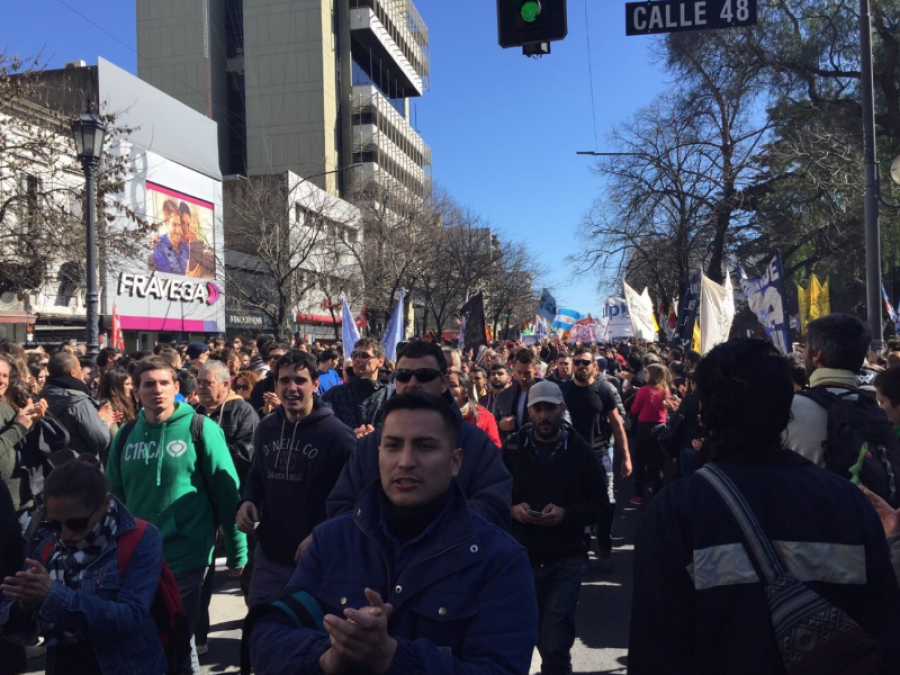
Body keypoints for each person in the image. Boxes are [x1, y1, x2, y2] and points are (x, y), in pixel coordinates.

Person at [628, 338, 900, 674]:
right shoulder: (850, 503)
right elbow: (886, 633)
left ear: (704, 411)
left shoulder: (673, 512)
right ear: (788, 405)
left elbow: (654, 650)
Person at [248, 393, 538, 675]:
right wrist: (328, 655)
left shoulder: (500, 559)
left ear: (455, 462)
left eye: (425, 446)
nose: (405, 461)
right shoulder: (331, 541)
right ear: (378, 455)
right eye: (393, 445)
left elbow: (500, 666)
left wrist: (393, 657)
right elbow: (267, 637)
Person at [106, 357, 247, 675]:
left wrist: (238, 551)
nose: (157, 390)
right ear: (136, 392)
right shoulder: (126, 435)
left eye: (164, 383)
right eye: (149, 384)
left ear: (177, 388)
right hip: (138, 558)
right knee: (146, 637)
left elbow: (228, 494)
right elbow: (113, 499)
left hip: (188, 556)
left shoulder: (201, 429)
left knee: (178, 638)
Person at [0, 459, 169, 675]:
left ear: (104, 505)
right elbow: (10, 615)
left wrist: (53, 595)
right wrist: (24, 605)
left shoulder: (140, 538)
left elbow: (130, 617)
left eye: (76, 524)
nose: (64, 534)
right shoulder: (46, 546)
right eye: (54, 524)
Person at [326, 340, 513, 529]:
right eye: (403, 375)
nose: (413, 384)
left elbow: (495, 508)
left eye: (425, 375)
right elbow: (342, 507)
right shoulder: (369, 446)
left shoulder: (476, 443)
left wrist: (430, 521)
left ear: (444, 383)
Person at [501, 380, 610, 675]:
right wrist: (512, 510)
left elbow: (601, 507)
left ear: (561, 409)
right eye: (538, 409)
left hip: (565, 559)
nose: (544, 416)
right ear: (530, 410)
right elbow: (491, 497)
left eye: (551, 408)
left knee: (555, 642)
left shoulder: (582, 453)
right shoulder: (512, 449)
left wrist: (566, 514)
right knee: (524, 636)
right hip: (522, 557)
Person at [237, 351, 355, 606]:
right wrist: (248, 500)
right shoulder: (266, 427)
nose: (291, 388)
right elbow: (258, 473)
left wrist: (322, 535)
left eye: (300, 380)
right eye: (284, 380)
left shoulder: (338, 436)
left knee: (310, 638)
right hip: (270, 556)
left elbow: (356, 499)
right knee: (260, 630)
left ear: (315, 385)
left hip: (318, 561)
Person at [563, 346, 631, 570]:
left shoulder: (604, 390)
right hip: (572, 457)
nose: (581, 366)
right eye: (578, 362)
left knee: (607, 503)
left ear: (594, 366)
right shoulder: (563, 390)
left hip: (601, 456)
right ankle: (582, 550)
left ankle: (604, 546)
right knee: (577, 504)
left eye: (585, 362)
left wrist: (626, 457)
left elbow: (617, 424)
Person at [784, 314, 871, 465]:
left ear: (817, 355)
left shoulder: (788, 409)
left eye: (806, 347)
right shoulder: (878, 408)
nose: (803, 354)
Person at [39, 352, 112, 461]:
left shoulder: (39, 399)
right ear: (73, 373)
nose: (81, 371)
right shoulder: (79, 403)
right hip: (79, 468)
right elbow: (100, 440)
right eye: (79, 367)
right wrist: (103, 421)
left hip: (48, 470)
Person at [322, 338, 388, 434]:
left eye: (364, 355)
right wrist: (349, 437)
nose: (358, 359)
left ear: (380, 362)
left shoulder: (391, 394)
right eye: (355, 355)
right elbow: (324, 429)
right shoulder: (334, 395)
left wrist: (375, 436)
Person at [628, 363, 670, 505]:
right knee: (657, 462)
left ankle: (639, 495)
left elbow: (634, 409)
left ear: (652, 375)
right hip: (661, 428)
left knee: (640, 462)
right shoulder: (666, 390)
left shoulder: (644, 390)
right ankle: (656, 492)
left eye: (647, 373)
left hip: (644, 428)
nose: (645, 375)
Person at [493, 348, 541, 442]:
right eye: (519, 372)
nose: (522, 377)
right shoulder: (502, 396)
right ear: (514, 369)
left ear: (535, 369)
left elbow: (562, 422)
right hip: (511, 451)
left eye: (527, 373)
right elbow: (491, 425)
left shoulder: (547, 392)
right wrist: (500, 425)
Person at [448, 369, 501, 448]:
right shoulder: (436, 415)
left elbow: (494, 448)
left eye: (453, 385)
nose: (447, 390)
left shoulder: (483, 416)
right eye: (445, 385)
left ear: (466, 391)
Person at [248, 342, 290, 416]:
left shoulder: (296, 385)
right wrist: (265, 409)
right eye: (271, 357)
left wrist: (281, 406)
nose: (272, 360)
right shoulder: (261, 386)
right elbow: (252, 412)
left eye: (277, 357)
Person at [152, 198, 190, 275]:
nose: (177, 230)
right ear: (166, 223)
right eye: (174, 224)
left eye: (179, 225)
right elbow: (169, 276)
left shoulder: (185, 248)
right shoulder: (158, 246)